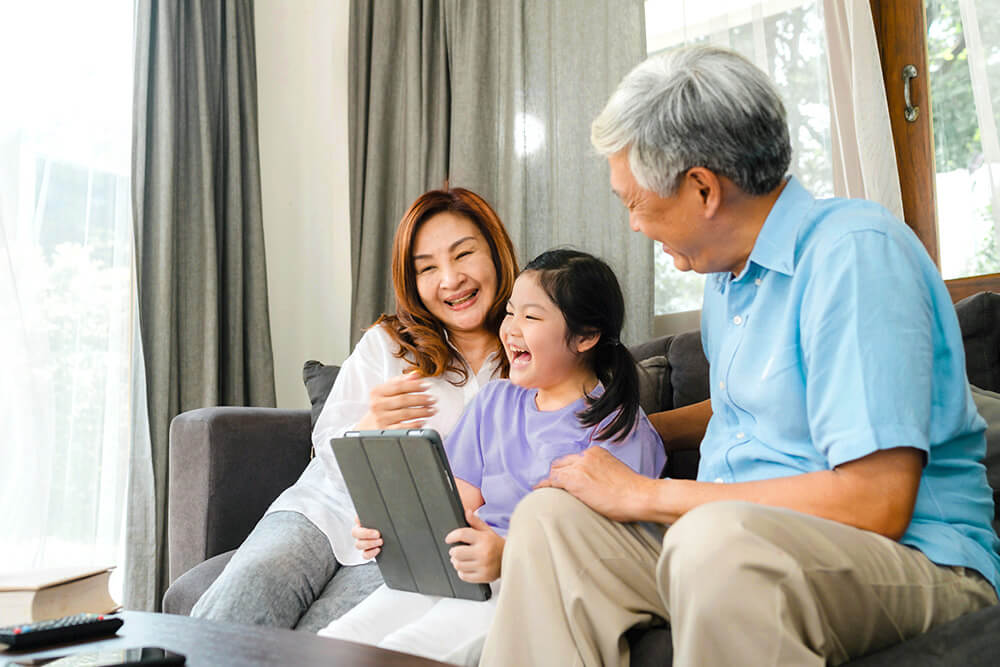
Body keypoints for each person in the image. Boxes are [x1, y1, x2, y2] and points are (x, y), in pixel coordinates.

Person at [479, 45, 1000, 667]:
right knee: (548, 521)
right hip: (739, 545)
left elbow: (875, 502)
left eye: (634, 201)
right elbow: (759, 402)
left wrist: (646, 493)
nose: (635, 226)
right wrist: (627, 427)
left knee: (714, 543)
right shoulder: (729, 284)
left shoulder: (854, 254)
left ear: (702, 188)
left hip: (909, 556)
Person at [190, 188, 519, 630]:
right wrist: (370, 425)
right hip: (324, 509)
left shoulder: (529, 354)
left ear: (496, 253)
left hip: (407, 540)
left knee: (327, 639)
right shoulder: (389, 343)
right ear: (412, 281)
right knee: (240, 599)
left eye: (463, 255)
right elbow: (326, 445)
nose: (450, 279)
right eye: (428, 268)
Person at [318, 249, 666, 665]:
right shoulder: (496, 400)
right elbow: (457, 499)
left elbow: (601, 551)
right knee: (334, 643)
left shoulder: (616, 427)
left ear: (585, 336)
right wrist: (396, 525)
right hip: (457, 569)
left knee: (409, 651)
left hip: (526, 583)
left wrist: (504, 553)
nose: (511, 330)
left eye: (531, 318)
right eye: (510, 313)